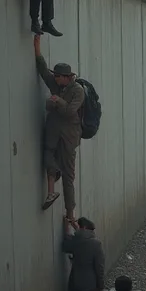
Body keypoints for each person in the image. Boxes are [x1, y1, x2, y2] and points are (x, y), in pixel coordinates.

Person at [34, 35, 84, 221]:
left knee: (69, 176)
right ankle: (51, 191)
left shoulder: (77, 90)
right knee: (48, 153)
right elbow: (42, 71)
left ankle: (70, 214)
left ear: (66, 78)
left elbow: (71, 111)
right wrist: (37, 48)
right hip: (54, 130)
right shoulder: (56, 83)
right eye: (55, 76)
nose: (54, 78)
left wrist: (57, 101)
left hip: (69, 136)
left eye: (57, 76)